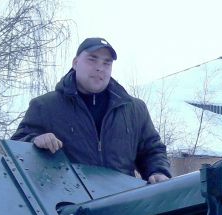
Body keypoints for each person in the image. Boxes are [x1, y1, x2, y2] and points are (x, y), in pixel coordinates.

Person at [11, 37, 171, 184]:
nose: (100, 68)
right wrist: (35, 141)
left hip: (123, 205)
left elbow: (152, 149)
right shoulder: (45, 106)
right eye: (92, 59)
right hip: (68, 206)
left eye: (106, 63)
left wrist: (158, 171)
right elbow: (17, 147)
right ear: (75, 62)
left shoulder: (135, 109)